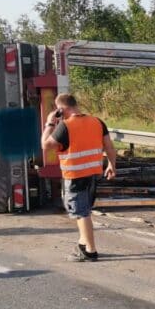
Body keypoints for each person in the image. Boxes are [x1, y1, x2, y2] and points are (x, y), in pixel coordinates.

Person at [41, 93, 116, 262]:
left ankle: (90, 251)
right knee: (84, 210)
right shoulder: (97, 122)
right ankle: (83, 243)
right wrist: (112, 165)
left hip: (75, 175)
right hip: (92, 174)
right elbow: (109, 147)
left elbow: (45, 145)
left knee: (81, 213)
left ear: (61, 109)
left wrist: (50, 122)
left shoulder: (65, 126)